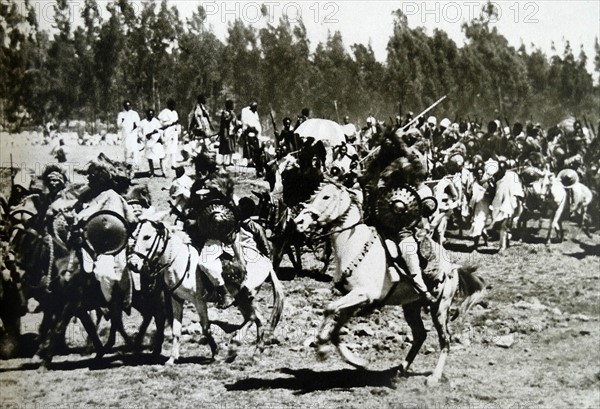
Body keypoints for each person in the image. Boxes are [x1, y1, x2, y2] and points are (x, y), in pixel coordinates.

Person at [117, 100, 141, 176]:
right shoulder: (121, 114)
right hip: (125, 135)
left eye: (129, 105)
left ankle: (135, 166)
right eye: (126, 106)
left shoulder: (134, 113)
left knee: (134, 150)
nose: (128, 107)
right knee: (126, 150)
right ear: (124, 106)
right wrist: (123, 122)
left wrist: (134, 127)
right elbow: (119, 125)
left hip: (133, 135)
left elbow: (138, 123)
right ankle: (127, 165)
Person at [139, 109, 165, 177]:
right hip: (148, 142)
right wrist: (142, 137)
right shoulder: (143, 122)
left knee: (161, 157)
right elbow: (139, 132)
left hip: (156, 141)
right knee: (150, 158)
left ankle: (164, 172)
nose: (151, 115)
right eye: (149, 114)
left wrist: (161, 139)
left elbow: (160, 130)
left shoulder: (156, 121)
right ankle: (152, 172)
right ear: (146, 114)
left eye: (152, 114)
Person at [241, 101, 264, 176]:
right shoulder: (246, 112)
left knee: (256, 149)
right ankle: (249, 161)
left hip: (255, 134)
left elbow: (257, 122)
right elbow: (246, 123)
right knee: (249, 149)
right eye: (254, 107)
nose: (255, 109)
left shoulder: (255, 113)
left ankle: (254, 161)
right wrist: (252, 128)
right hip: (250, 132)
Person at [158, 98, 181, 171]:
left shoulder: (174, 112)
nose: (173, 107)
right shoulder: (164, 112)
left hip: (174, 132)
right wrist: (171, 123)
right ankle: (165, 165)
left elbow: (177, 122)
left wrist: (177, 129)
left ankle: (173, 164)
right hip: (167, 132)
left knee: (174, 149)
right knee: (166, 149)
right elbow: (161, 124)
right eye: (172, 105)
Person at [218, 99, 239, 167]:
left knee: (231, 147)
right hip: (226, 131)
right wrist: (231, 117)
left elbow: (235, 122)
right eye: (232, 105)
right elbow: (225, 121)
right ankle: (223, 161)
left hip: (232, 131)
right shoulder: (225, 112)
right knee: (225, 147)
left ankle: (230, 161)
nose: (233, 106)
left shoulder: (233, 113)